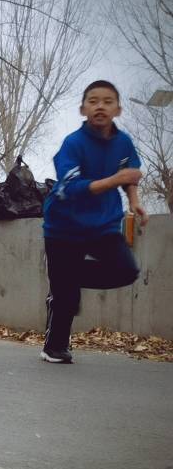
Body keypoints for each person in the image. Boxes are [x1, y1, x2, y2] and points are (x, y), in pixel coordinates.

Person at [40, 80, 145, 363]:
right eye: (94, 101)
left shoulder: (123, 142)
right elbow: (71, 189)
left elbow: (129, 173)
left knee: (126, 271)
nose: (100, 106)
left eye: (108, 101)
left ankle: (64, 279)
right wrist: (116, 180)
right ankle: (55, 348)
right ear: (83, 108)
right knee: (66, 300)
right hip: (63, 227)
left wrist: (134, 201)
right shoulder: (73, 144)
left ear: (118, 109)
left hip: (102, 226)